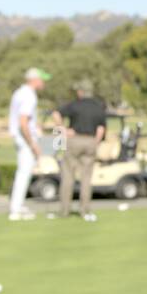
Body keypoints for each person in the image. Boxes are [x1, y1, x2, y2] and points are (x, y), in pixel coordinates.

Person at [48, 80, 106, 222]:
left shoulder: (75, 104)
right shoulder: (98, 106)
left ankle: (64, 210)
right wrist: (95, 143)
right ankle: (85, 210)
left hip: (74, 140)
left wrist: (63, 129)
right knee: (86, 178)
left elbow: (55, 114)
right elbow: (101, 129)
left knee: (68, 176)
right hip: (91, 141)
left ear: (81, 92)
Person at [6, 67, 50, 221]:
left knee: (24, 172)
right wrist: (33, 144)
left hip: (21, 138)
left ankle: (18, 205)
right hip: (25, 140)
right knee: (24, 173)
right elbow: (23, 122)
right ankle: (16, 209)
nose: (43, 82)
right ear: (35, 80)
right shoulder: (29, 96)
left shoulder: (19, 92)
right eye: (42, 79)